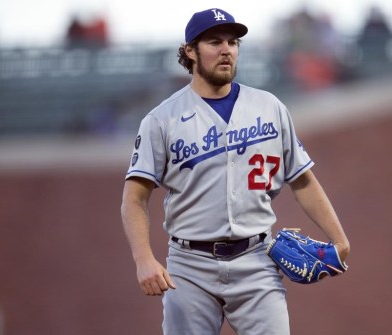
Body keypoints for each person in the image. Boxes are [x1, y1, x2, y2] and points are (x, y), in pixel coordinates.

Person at [120, 8, 350, 335]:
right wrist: (143, 259)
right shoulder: (162, 119)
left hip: (256, 260)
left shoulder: (269, 107)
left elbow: (302, 179)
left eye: (233, 41)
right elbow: (134, 198)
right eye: (215, 41)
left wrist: (340, 241)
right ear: (190, 51)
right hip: (189, 266)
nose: (226, 49)